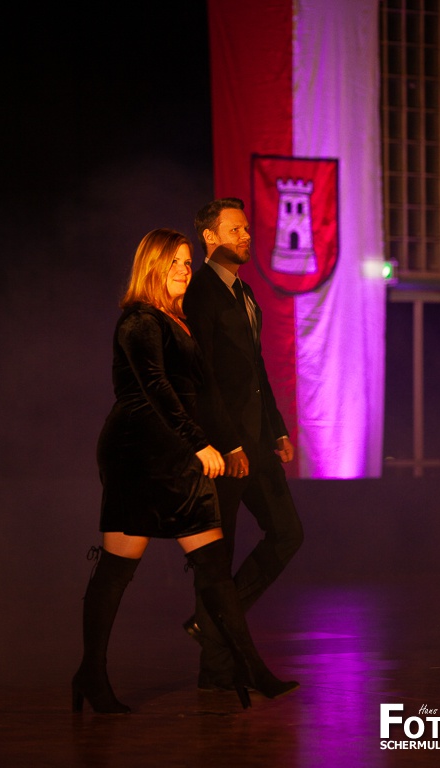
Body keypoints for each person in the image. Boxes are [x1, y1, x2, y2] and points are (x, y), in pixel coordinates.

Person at [72, 228, 298, 714]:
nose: (182, 269)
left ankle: (249, 668)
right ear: (151, 267)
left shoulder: (179, 321)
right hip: (138, 455)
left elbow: (207, 390)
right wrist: (201, 444)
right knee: (116, 569)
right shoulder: (139, 321)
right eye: (172, 261)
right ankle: (91, 673)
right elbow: (156, 388)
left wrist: (220, 440)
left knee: (214, 567)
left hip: (177, 455)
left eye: (186, 261)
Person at [182, 199, 304, 690]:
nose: (246, 236)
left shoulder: (245, 291)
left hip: (255, 440)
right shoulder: (200, 292)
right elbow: (203, 377)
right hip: (224, 446)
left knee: (287, 532)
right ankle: (216, 669)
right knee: (219, 552)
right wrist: (228, 443)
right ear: (210, 238)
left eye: (247, 229)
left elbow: (255, 369)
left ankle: (210, 626)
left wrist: (277, 429)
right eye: (235, 230)